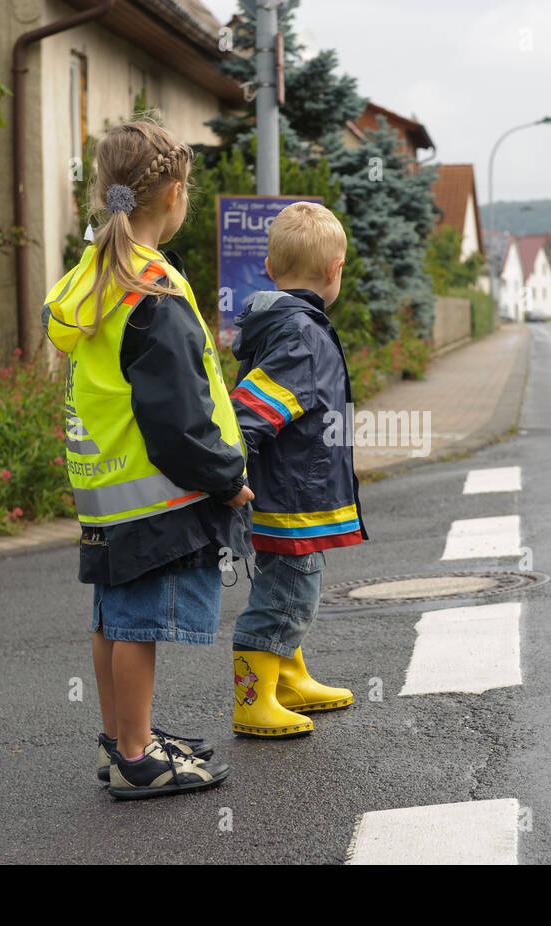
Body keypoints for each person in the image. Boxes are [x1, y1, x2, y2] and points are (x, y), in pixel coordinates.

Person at [43, 116, 253, 798]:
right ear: (173, 196)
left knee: (112, 618)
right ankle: (136, 755)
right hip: (156, 494)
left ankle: (119, 740)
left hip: (107, 489)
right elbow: (177, 415)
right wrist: (225, 477)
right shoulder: (152, 290)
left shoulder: (96, 274)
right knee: (137, 624)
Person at [227, 201, 368, 738]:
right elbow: (251, 412)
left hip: (291, 493)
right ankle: (252, 701)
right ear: (335, 271)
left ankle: (287, 677)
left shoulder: (285, 325)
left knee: (295, 588)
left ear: (269, 266)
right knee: (286, 596)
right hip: (289, 499)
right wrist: (230, 471)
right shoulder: (303, 337)